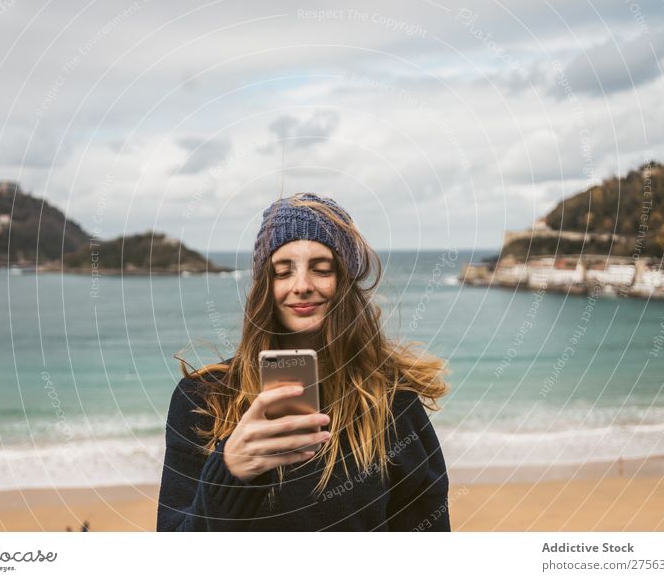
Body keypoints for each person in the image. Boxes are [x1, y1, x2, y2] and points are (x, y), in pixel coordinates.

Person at [156, 192, 450, 531]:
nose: (302, 286)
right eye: (283, 272)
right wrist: (229, 472)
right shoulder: (200, 399)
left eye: (321, 269)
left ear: (344, 282)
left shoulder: (393, 401)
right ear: (265, 285)